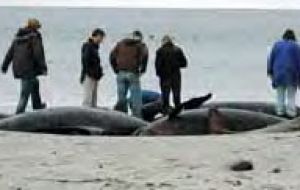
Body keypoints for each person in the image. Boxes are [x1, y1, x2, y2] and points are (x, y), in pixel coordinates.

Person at [1, 18, 47, 114]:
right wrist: (43, 68)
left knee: (35, 82)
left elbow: (10, 53)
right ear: (35, 27)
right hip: (28, 69)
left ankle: (37, 105)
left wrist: (4, 66)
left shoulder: (18, 37)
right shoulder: (35, 37)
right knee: (24, 94)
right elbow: (38, 53)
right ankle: (18, 114)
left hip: (19, 68)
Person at [110, 30, 149, 118]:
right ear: (140, 38)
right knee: (136, 98)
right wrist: (142, 70)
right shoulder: (140, 45)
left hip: (121, 73)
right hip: (133, 73)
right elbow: (145, 56)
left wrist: (116, 69)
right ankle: (137, 118)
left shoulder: (120, 44)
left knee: (121, 97)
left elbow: (112, 56)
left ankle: (122, 117)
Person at [268, 29, 300, 118]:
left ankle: (279, 113)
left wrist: (270, 72)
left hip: (278, 73)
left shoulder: (277, 45)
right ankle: (291, 114)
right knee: (291, 95)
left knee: (280, 94)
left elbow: (271, 59)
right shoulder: (296, 46)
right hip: (291, 73)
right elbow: (298, 63)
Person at [155, 35, 188, 114]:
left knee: (165, 96)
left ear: (163, 42)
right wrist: (176, 64)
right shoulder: (178, 50)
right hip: (176, 76)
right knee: (177, 96)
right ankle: (179, 112)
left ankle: (166, 113)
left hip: (165, 76)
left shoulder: (160, 51)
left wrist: (159, 74)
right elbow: (184, 63)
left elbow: (157, 65)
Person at [80, 28, 106, 108]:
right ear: (96, 36)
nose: (101, 40)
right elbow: (86, 61)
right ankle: (86, 114)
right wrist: (91, 72)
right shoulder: (89, 46)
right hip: (89, 75)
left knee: (93, 98)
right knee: (88, 98)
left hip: (94, 75)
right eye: (100, 37)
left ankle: (92, 114)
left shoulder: (94, 47)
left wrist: (99, 72)